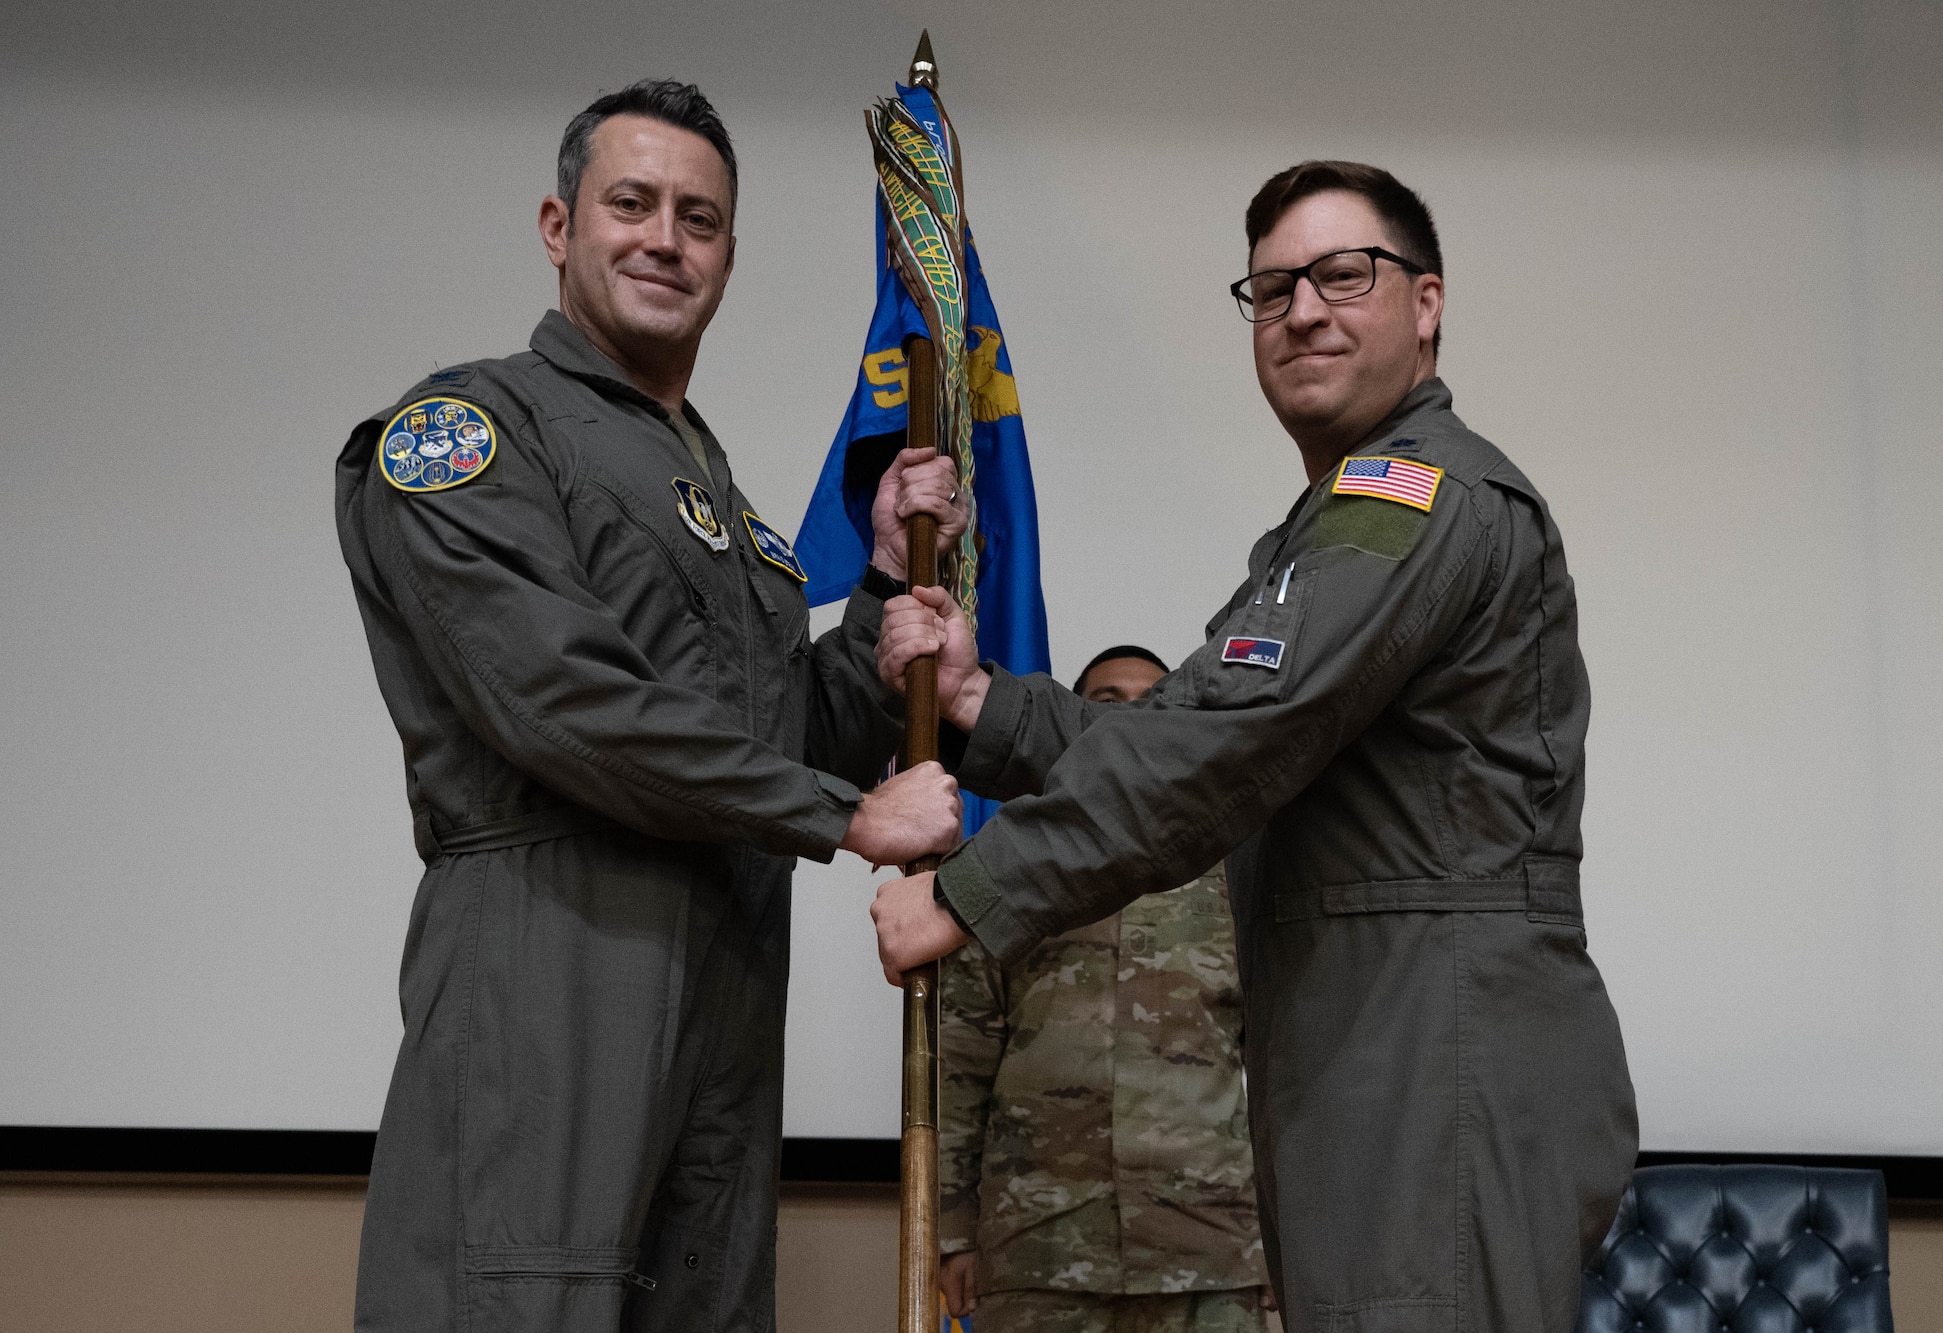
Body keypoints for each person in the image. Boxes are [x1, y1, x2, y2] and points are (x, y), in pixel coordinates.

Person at [870, 160, 1639, 1333]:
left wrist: (974, 892)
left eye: (1343, 275)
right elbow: (1184, 725)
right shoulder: (1324, 526)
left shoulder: (1419, 499)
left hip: (1435, 1059)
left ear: (1424, 303)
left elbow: (1225, 744)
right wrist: (982, 702)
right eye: (1272, 288)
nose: (1302, 311)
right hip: (1374, 1053)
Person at [332, 79, 967, 1333]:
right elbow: (563, 704)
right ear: (558, 225)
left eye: (699, 216)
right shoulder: (472, 430)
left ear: (728, 255)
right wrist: (847, 818)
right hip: (556, 945)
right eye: (630, 203)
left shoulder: (721, 497)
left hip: (726, 960)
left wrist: (880, 589)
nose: (664, 238)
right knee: (521, 1304)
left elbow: (762, 730)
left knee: (705, 1307)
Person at [936, 645, 1269, 1333]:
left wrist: (1286, 1239)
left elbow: (1283, 1068)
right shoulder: (1007, 863)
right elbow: (962, 1055)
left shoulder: (1237, 875)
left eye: (1149, 705)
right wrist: (953, 1227)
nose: (1123, 723)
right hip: (1040, 1245)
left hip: (1209, 1245)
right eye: (1102, 706)